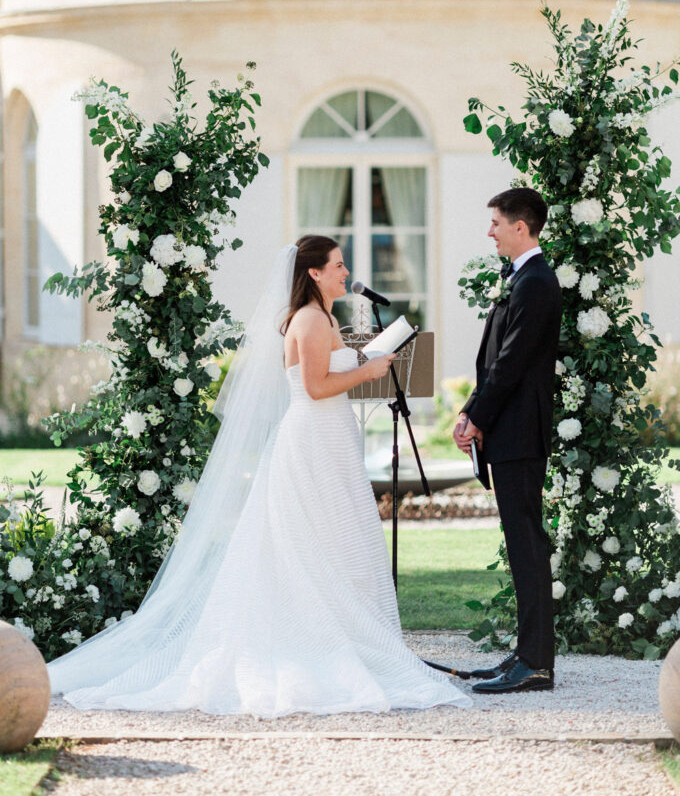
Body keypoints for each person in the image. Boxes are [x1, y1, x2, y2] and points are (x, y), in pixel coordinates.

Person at [48, 235, 469, 715]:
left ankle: (347, 634)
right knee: (308, 545)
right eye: (336, 265)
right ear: (313, 272)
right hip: (311, 442)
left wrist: (368, 362)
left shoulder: (325, 317)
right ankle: (315, 642)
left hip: (330, 441)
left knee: (335, 542)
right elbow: (314, 388)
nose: (344, 272)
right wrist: (369, 369)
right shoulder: (310, 319)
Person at [453, 189, 561, 694]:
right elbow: (497, 361)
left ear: (522, 227)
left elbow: (513, 363)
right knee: (521, 544)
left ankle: (536, 663)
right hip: (508, 430)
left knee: (527, 546)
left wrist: (477, 415)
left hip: (519, 432)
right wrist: (471, 411)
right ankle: (525, 654)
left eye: (496, 222)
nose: (490, 231)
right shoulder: (523, 279)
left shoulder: (536, 283)